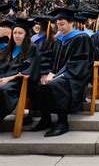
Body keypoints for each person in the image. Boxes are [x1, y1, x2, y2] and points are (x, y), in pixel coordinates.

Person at [31, 8, 94, 137]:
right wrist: (45, 73)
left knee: (55, 84)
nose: (59, 27)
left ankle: (62, 122)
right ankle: (45, 119)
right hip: (57, 74)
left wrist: (56, 75)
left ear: (71, 23)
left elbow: (78, 63)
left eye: (62, 24)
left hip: (74, 76)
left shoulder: (81, 38)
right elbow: (47, 57)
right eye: (58, 25)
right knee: (37, 83)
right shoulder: (58, 39)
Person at [0, 18, 40, 123]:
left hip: (19, 83)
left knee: (3, 90)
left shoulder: (32, 48)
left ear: (25, 35)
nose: (17, 35)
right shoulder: (7, 49)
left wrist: (8, 79)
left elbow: (30, 70)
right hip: (4, 80)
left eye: (20, 33)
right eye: (15, 33)